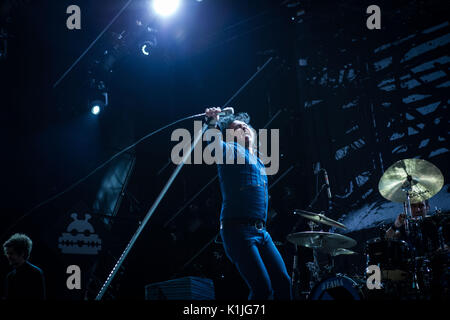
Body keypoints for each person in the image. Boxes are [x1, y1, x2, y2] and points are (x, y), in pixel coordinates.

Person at [204, 107, 292, 300]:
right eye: (237, 127)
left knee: (284, 283)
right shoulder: (229, 152)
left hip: (261, 232)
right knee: (263, 289)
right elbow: (215, 144)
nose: (244, 127)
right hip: (238, 230)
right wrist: (213, 121)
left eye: (245, 125)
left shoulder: (259, 161)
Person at [3, 233, 46, 299]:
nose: (8, 256)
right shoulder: (10, 277)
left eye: (11, 253)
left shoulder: (35, 273)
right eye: (7, 253)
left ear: (22, 253)